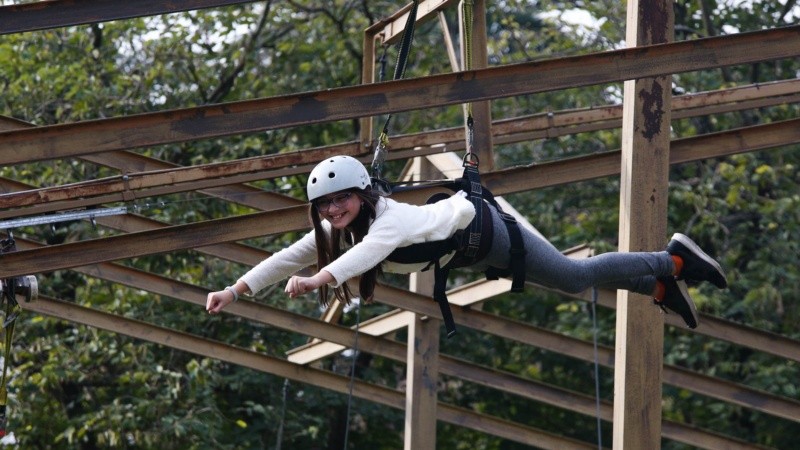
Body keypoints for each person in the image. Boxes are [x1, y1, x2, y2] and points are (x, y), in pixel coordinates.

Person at [206, 155, 727, 329]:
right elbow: (288, 255)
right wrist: (236, 289)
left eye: (340, 201)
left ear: (362, 195)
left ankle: (673, 256)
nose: (332, 212)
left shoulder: (388, 222)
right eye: (324, 207)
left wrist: (322, 277)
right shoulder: (346, 226)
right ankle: (660, 288)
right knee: (570, 283)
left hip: (491, 234)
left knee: (572, 277)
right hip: (479, 249)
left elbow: (362, 257)